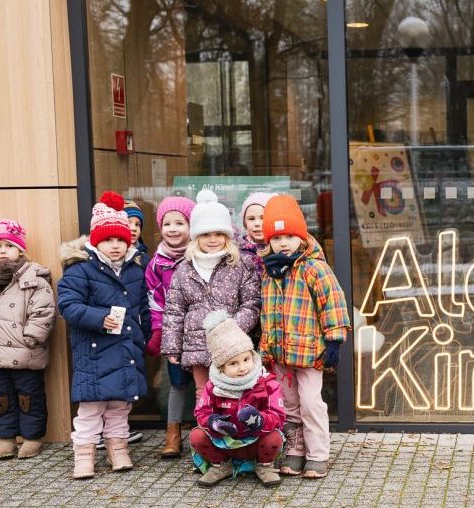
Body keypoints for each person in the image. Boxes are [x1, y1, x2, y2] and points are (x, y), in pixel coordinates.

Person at [57, 191, 151, 479]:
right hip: (95, 350)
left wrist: (144, 337)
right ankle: (84, 456)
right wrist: (100, 318)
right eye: (109, 240)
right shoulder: (80, 270)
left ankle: (118, 449)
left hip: (125, 349)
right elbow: (68, 305)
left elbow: (142, 309)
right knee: (90, 409)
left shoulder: (135, 270)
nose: (115, 245)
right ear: (96, 240)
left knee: (120, 407)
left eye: (121, 240)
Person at [259, 195, 350, 479]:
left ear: (301, 236)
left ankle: (318, 453)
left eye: (289, 236)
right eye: (277, 237)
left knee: (311, 403)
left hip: (309, 353)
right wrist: (266, 349)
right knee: (289, 405)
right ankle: (296, 451)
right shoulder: (270, 271)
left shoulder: (314, 267)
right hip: (281, 354)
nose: (283, 243)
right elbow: (268, 314)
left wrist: (334, 340)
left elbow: (333, 303)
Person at [0, 219, 55, 460]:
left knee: (29, 397)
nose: (3, 250)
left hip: (25, 353)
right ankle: (6, 439)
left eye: (9, 245)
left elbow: (43, 311)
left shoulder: (34, 279)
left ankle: (32, 438)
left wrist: (31, 337)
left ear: (20, 249)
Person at [161, 189, 261, 404]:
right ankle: (209, 435)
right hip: (197, 344)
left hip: (232, 345)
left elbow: (251, 303)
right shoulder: (185, 268)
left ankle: (238, 434)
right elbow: (174, 310)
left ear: (227, 235)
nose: (213, 239)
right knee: (204, 394)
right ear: (197, 237)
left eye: (218, 233)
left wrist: (232, 328)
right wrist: (171, 346)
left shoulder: (242, 264)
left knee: (237, 392)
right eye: (206, 234)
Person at [191, 310, 286, 488]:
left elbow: (279, 415)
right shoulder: (213, 386)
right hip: (225, 442)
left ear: (252, 355)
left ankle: (264, 466)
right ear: (221, 367)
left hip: (256, 441)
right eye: (233, 363)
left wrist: (260, 420)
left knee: (274, 438)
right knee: (197, 436)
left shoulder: (267, 382)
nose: (243, 368)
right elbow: (201, 412)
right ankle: (221, 465)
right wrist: (213, 423)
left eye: (246, 359)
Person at [144, 196, 195, 458]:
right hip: (173, 331)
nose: (173, 229)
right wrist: (158, 331)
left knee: (206, 383)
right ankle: (172, 432)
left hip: (200, 330)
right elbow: (154, 301)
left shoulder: (199, 257)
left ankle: (205, 432)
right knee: (176, 383)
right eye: (167, 223)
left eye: (180, 223)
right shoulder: (156, 263)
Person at [238, 192, 274, 273]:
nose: (257, 224)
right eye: (251, 219)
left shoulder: (282, 248)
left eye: (263, 218)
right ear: (245, 223)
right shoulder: (238, 253)